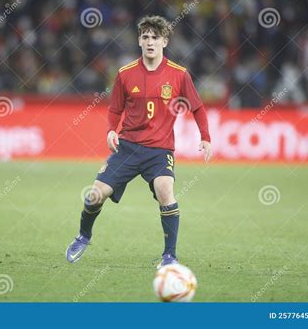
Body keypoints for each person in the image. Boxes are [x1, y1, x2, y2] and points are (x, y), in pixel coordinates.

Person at [66, 15, 212, 268]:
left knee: (165, 191)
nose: (150, 42)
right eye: (145, 37)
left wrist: (206, 137)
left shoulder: (179, 75)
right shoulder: (125, 74)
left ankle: (169, 256)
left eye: (155, 37)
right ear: (139, 41)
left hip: (159, 150)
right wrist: (111, 130)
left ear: (164, 41)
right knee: (93, 196)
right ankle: (83, 237)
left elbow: (198, 108)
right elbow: (114, 110)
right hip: (128, 148)